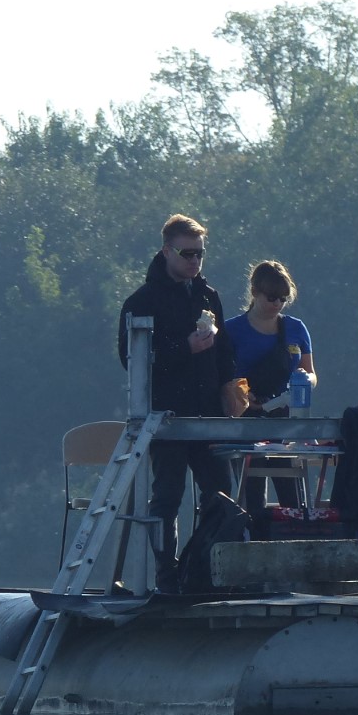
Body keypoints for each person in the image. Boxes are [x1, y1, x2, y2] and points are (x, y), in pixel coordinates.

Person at [117, 214, 232, 592]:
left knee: (220, 494)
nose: (195, 261)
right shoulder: (142, 301)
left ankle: (206, 572)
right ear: (167, 251)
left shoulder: (208, 296)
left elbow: (225, 352)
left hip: (208, 415)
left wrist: (232, 391)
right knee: (167, 497)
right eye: (187, 253)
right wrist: (184, 348)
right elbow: (132, 360)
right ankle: (167, 577)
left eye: (200, 254)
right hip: (165, 417)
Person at [217, 260, 317, 531]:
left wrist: (304, 381)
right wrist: (246, 396)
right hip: (246, 420)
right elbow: (222, 377)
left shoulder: (296, 328)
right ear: (255, 292)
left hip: (285, 419)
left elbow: (311, 373)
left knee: (292, 498)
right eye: (271, 297)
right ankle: (254, 541)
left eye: (283, 298)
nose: (277, 304)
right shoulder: (232, 330)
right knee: (253, 500)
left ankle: (295, 541)